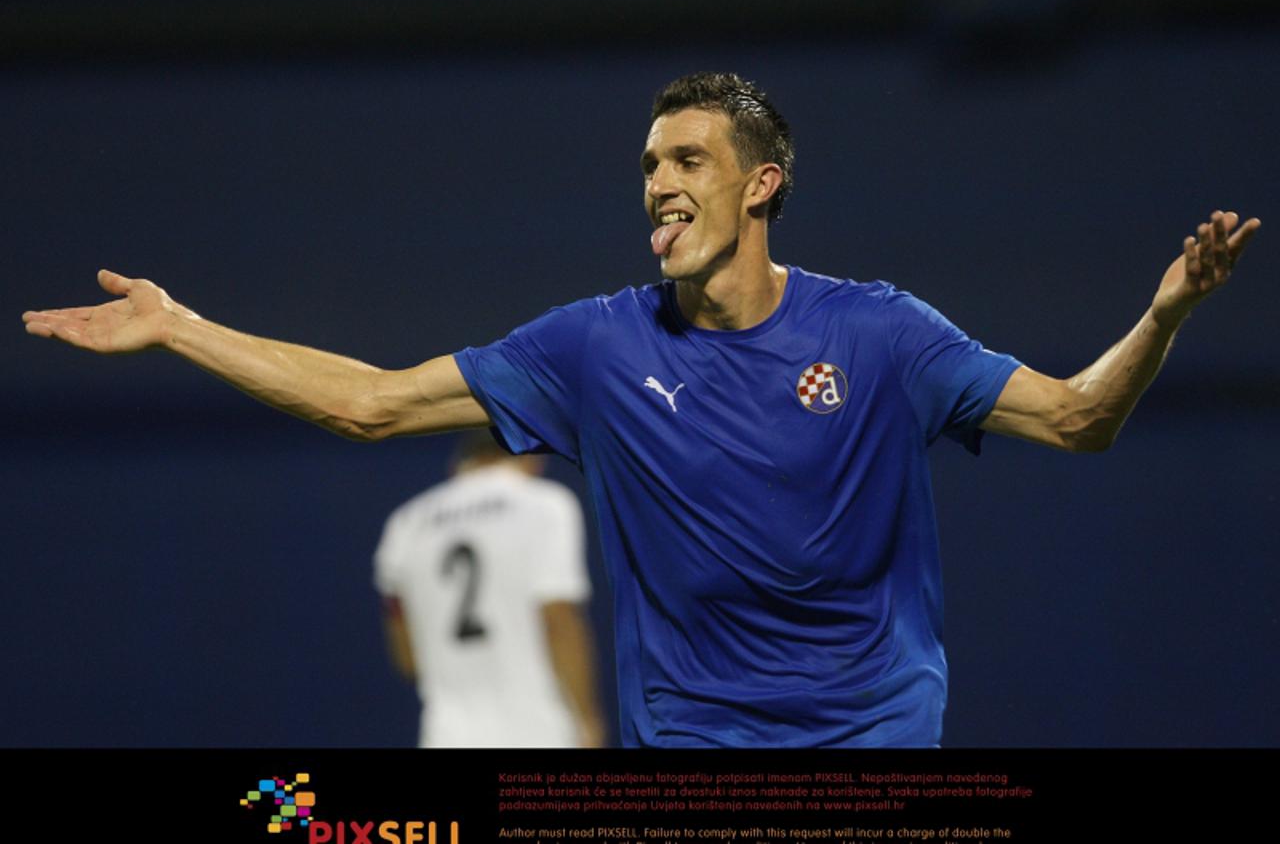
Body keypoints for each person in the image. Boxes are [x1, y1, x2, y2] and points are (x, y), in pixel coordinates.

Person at [23, 72, 1260, 747]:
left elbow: (1083, 416)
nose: (658, 188)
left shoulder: (884, 332)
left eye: (687, 163)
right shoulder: (592, 346)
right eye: (648, 169)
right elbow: (365, 403)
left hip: (871, 748)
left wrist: (1162, 318)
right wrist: (180, 326)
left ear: (761, 184)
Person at [374, 431, 606, 748]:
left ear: (460, 463)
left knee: (293, 796)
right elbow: (558, 619)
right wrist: (588, 720)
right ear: (530, 456)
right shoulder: (544, 504)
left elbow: (407, 657)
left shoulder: (406, 523)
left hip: (446, 737)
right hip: (540, 733)